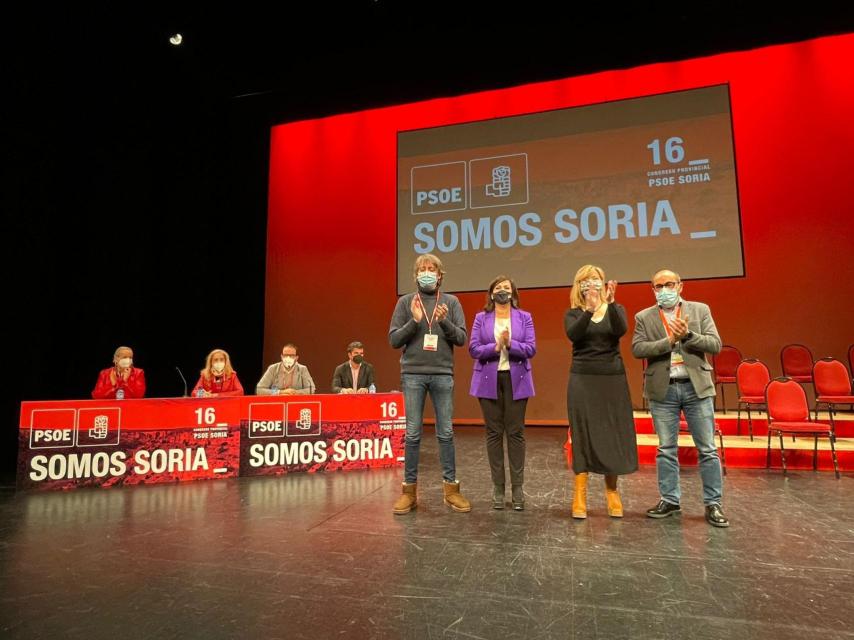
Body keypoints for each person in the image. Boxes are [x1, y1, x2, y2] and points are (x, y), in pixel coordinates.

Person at [631, 269, 729, 527]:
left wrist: (687, 336)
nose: (664, 290)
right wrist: (668, 341)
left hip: (696, 387)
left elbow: (715, 344)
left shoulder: (699, 310)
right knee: (666, 449)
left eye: (669, 284)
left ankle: (713, 504)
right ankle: (670, 500)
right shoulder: (644, 317)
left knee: (707, 448)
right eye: (658, 286)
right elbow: (638, 349)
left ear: (680, 286)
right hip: (664, 389)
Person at [388, 253, 470, 514]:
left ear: (440, 275)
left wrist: (444, 321)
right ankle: (409, 492)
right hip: (412, 375)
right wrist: (414, 321)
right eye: (422, 269)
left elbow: (461, 339)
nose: (426, 272)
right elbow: (394, 340)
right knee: (412, 434)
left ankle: (451, 490)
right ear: (416, 275)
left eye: (431, 268)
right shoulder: (405, 302)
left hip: (442, 375)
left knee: (445, 433)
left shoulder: (451, 302)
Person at [564, 265, 637, 519]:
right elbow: (574, 335)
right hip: (583, 379)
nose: (591, 284)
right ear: (579, 286)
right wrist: (589, 311)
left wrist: (610, 303)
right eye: (586, 281)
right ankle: (580, 494)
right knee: (582, 433)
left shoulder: (617, 310)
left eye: (595, 280)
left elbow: (620, 330)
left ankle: (612, 492)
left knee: (611, 434)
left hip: (612, 379)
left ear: (604, 284)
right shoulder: (574, 313)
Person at [469, 275, 536, 510]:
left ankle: (517, 488)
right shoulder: (481, 318)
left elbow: (531, 348)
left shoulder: (524, 317)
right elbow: (474, 348)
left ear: (513, 293)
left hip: (517, 380)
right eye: (498, 287)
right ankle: (498, 488)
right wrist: (496, 347)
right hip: (488, 380)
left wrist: (510, 345)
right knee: (494, 433)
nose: (502, 291)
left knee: (516, 433)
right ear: (491, 294)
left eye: (506, 288)